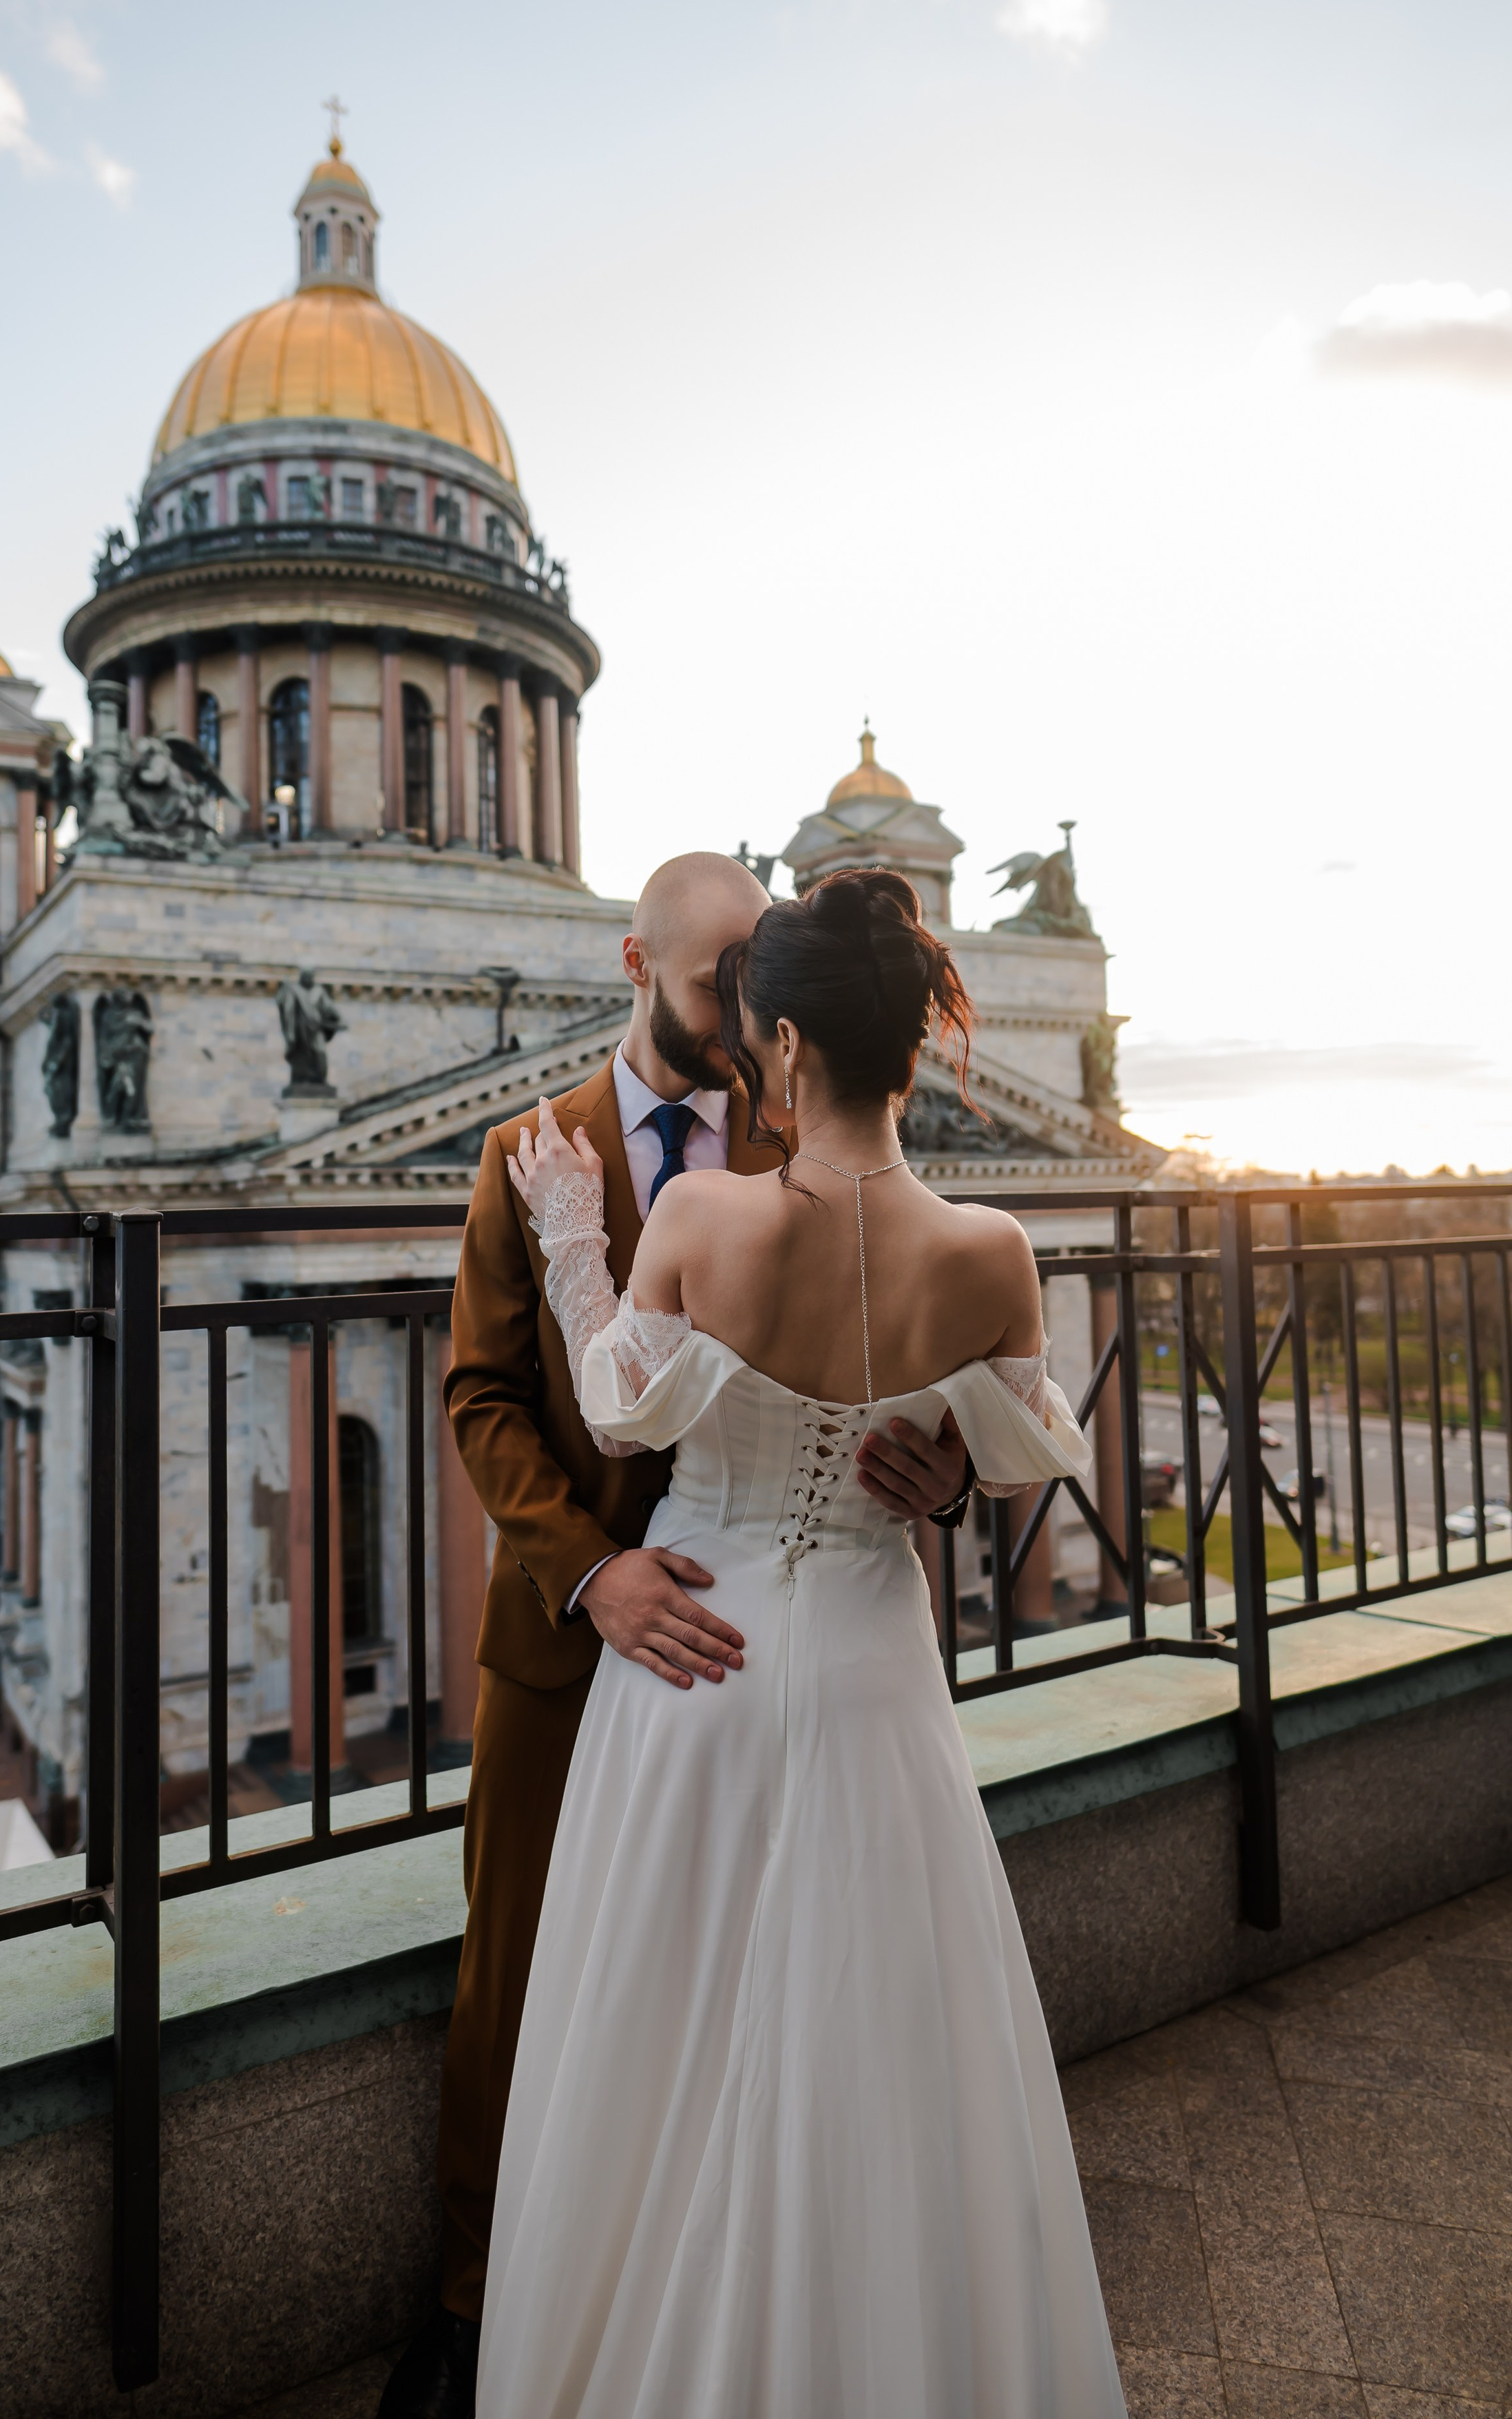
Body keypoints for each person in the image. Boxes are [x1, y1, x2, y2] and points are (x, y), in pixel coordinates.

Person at [475, 866, 1126, 2418]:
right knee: (886, 2040)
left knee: (655, 2030)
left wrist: (573, 1242)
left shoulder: (699, 1217)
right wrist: (937, 1451)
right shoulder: (989, 1250)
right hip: (868, 1671)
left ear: (775, 1046)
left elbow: (621, 1401)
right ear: (916, 1045)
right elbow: (1031, 1447)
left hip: (695, 1655)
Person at [378, 855, 969, 2419]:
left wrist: (947, 1460)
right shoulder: (534, 1151)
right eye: (716, 982)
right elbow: (483, 1398)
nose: (740, 1015)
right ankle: (480, 2316)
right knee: (520, 1993)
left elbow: (914, 1346)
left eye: (753, 987)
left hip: (762, 1658)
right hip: (574, 1647)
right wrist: (592, 1573)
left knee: (744, 1988)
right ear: (635, 960)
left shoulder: (807, 1105)